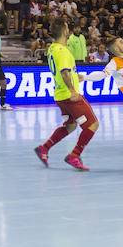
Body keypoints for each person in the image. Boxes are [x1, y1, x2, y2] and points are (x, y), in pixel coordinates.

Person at [33, 18, 98, 171]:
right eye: (67, 27)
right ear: (64, 29)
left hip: (60, 95)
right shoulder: (62, 50)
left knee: (70, 125)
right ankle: (75, 155)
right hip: (69, 96)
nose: (69, 29)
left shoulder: (53, 48)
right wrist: (73, 90)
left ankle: (44, 148)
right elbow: (63, 72)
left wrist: (76, 77)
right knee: (93, 124)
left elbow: (65, 71)